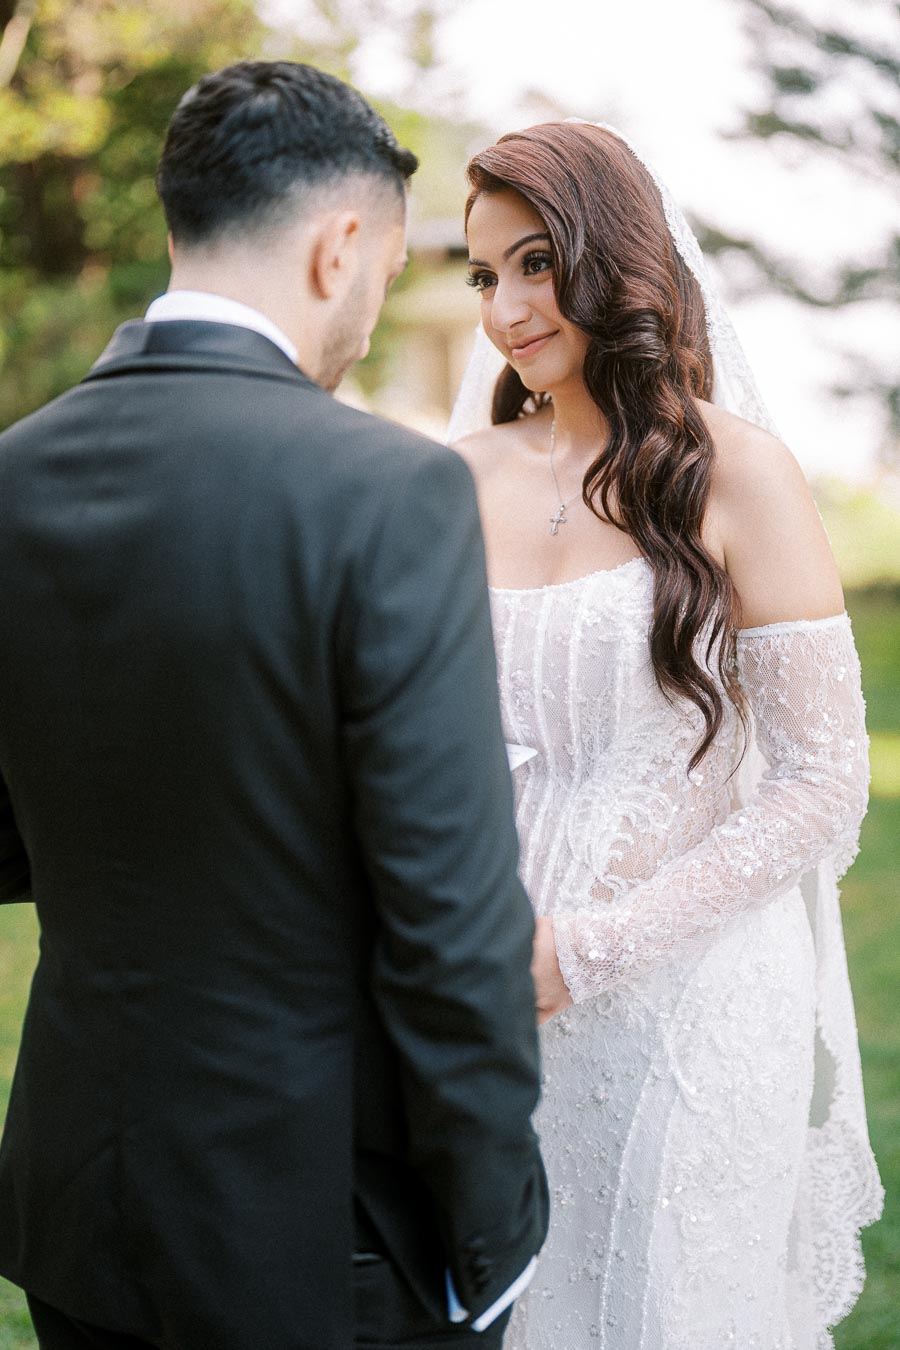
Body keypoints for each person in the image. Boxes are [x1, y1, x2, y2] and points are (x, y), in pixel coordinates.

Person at [0, 61, 548, 1350]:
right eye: (384, 273)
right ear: (339, 246)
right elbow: (452, 918)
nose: (368, 314)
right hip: (316, 1227)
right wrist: (489, 1236)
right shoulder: (386, 493)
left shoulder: (11, 476)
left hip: (77, 1207)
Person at [451, 119, 882, 1350]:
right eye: (485, 277)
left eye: (536, 262)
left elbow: (820, 781)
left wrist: (592, 948)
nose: (507, 307)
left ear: (614, 256)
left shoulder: (739, 474)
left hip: (687, 1001)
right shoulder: (460, 476)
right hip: (494, 992)